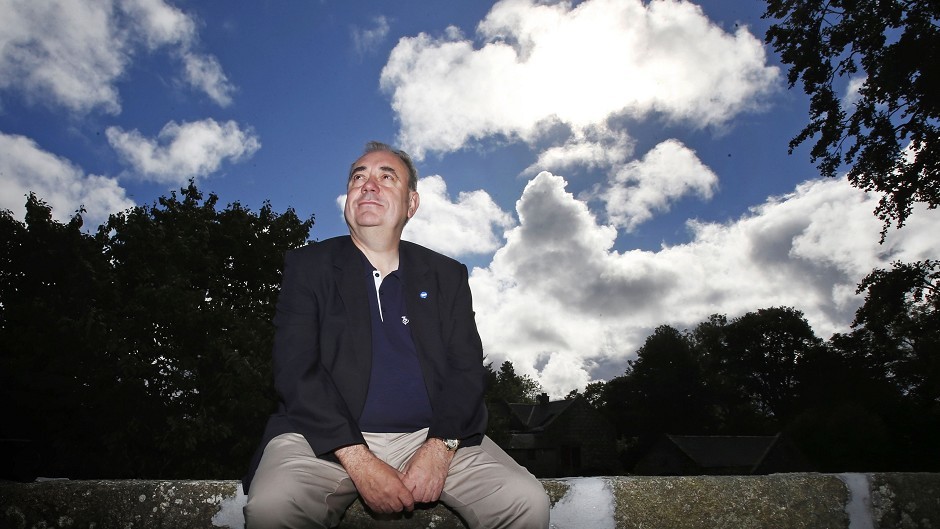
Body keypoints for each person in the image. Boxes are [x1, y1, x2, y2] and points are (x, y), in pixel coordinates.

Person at [243, 141, 550, 528]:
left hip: (432, 436)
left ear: (411, 204)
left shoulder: (446, 275)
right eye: (358, 177)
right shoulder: (308, 265)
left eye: (386, 177)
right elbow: (295, 369)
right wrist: (357, 457)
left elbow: (466, 370)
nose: (368, 185)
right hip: (320, 438)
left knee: (526, 502)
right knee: (273, 508)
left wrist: (440, 447)